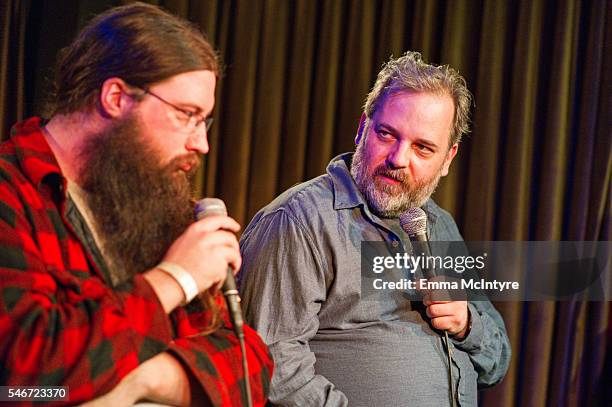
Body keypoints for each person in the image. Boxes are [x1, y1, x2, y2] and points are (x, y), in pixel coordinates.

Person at [0, 3, 272, 406]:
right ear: (116, 97)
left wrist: (146, 379)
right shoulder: (12, 193)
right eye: (187, 115)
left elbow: (250, 361)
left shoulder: (152, 201)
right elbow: (23, 379)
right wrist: (174, 279)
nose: (202, 143)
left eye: (205, 121)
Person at [239, 51, 511, 406]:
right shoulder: (299, 221)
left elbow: (497, 362)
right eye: (387, 134)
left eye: (423, 148)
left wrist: (466, 323)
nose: (399, 159)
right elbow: (272, 367)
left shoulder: (441, 224)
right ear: (361, 129)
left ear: (448, 159)